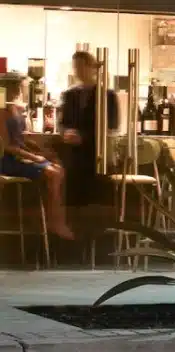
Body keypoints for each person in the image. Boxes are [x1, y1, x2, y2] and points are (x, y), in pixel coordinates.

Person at [1, 100, 74, 239]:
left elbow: (19, 141)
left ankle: (53, 218)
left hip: (17, 157)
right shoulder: (1, 112)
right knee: (53, 173)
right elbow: (6, 146)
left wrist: (37, 151)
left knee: (58, 167)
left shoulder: (14, 107)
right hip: (5, 161)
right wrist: (34, 157)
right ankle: (54, 222)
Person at [59, 50, 117, 209]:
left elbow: (111, 124)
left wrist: (83, 137)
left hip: (97, 154)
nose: (78, 70)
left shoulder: (108, 95)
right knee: (73, 200)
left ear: (93, 68)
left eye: (82, 66)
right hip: (74, 157)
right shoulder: (70, 95)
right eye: (76, 66)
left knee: (97, 199)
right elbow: (63, 122)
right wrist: (66, 133)